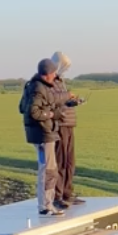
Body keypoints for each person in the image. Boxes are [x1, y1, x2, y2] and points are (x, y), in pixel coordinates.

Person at [20, 58, 73, 216]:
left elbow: (22, 107)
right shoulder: (38, 88)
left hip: (41, 133)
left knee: (47, 169)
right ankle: (46, 206)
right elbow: (32, 112)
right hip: (43, 134)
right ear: (49, 74)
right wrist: (51, 114)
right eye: (54, 72)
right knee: (49, 171)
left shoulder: (32, 85)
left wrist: (65, 98)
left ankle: (45, 205)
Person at [50, 51, 85, 209]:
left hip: (69, 123)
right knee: (61, 161)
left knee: (70, 161)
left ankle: (67, 193)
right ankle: (58, 196)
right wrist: (66, 96)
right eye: (64, 66)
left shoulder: (60, 81)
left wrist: (72, 101)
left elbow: (62, 100)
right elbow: (52, 100)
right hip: (60, 125)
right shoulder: (50, 82)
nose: (66, 69)